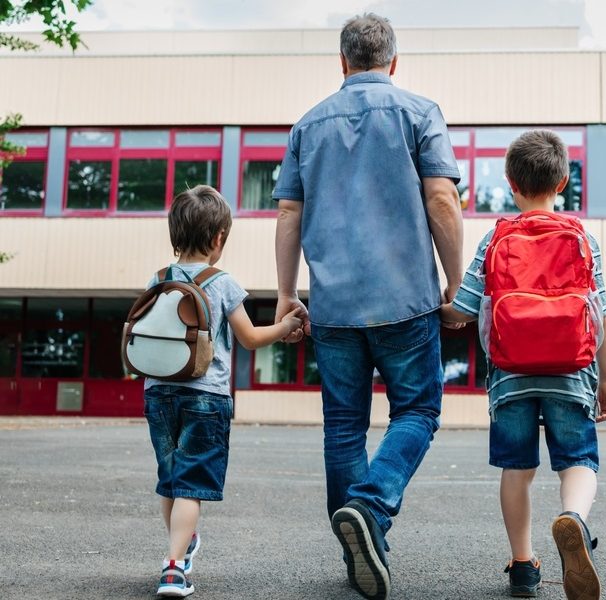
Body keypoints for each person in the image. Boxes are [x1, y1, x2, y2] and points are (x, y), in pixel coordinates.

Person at [272, 13, 464, 600]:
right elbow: (441, 199)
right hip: (405, 300)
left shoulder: (307, 125)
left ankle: (361, 547)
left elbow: (287, 213)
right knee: (418, 412)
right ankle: (371, 508)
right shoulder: (419, 113)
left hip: (332, 306)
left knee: (344, 427)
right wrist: (456, 285)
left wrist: (286, 294)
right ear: (394, 62)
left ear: (343, 63)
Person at [440, 130, 606, 600]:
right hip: (572, 372)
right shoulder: (583, 238)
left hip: (511, 375)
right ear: (563, 181)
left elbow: (463, 308)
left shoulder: (496, 237)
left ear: (509, 182)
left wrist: (447, 306)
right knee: (578, 460)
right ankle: (573, 518)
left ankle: (523, 565)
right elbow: (601, 313)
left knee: (516, 468)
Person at [143, 185, 303, 597]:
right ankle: (175, 568)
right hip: (205, 396)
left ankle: (181, 542)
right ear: (218, 239)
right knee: (192, 483)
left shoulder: (159, 278)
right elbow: (249, 338)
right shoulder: (223, 283)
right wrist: (285, 328)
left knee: (172, 479)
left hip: (158, 392)